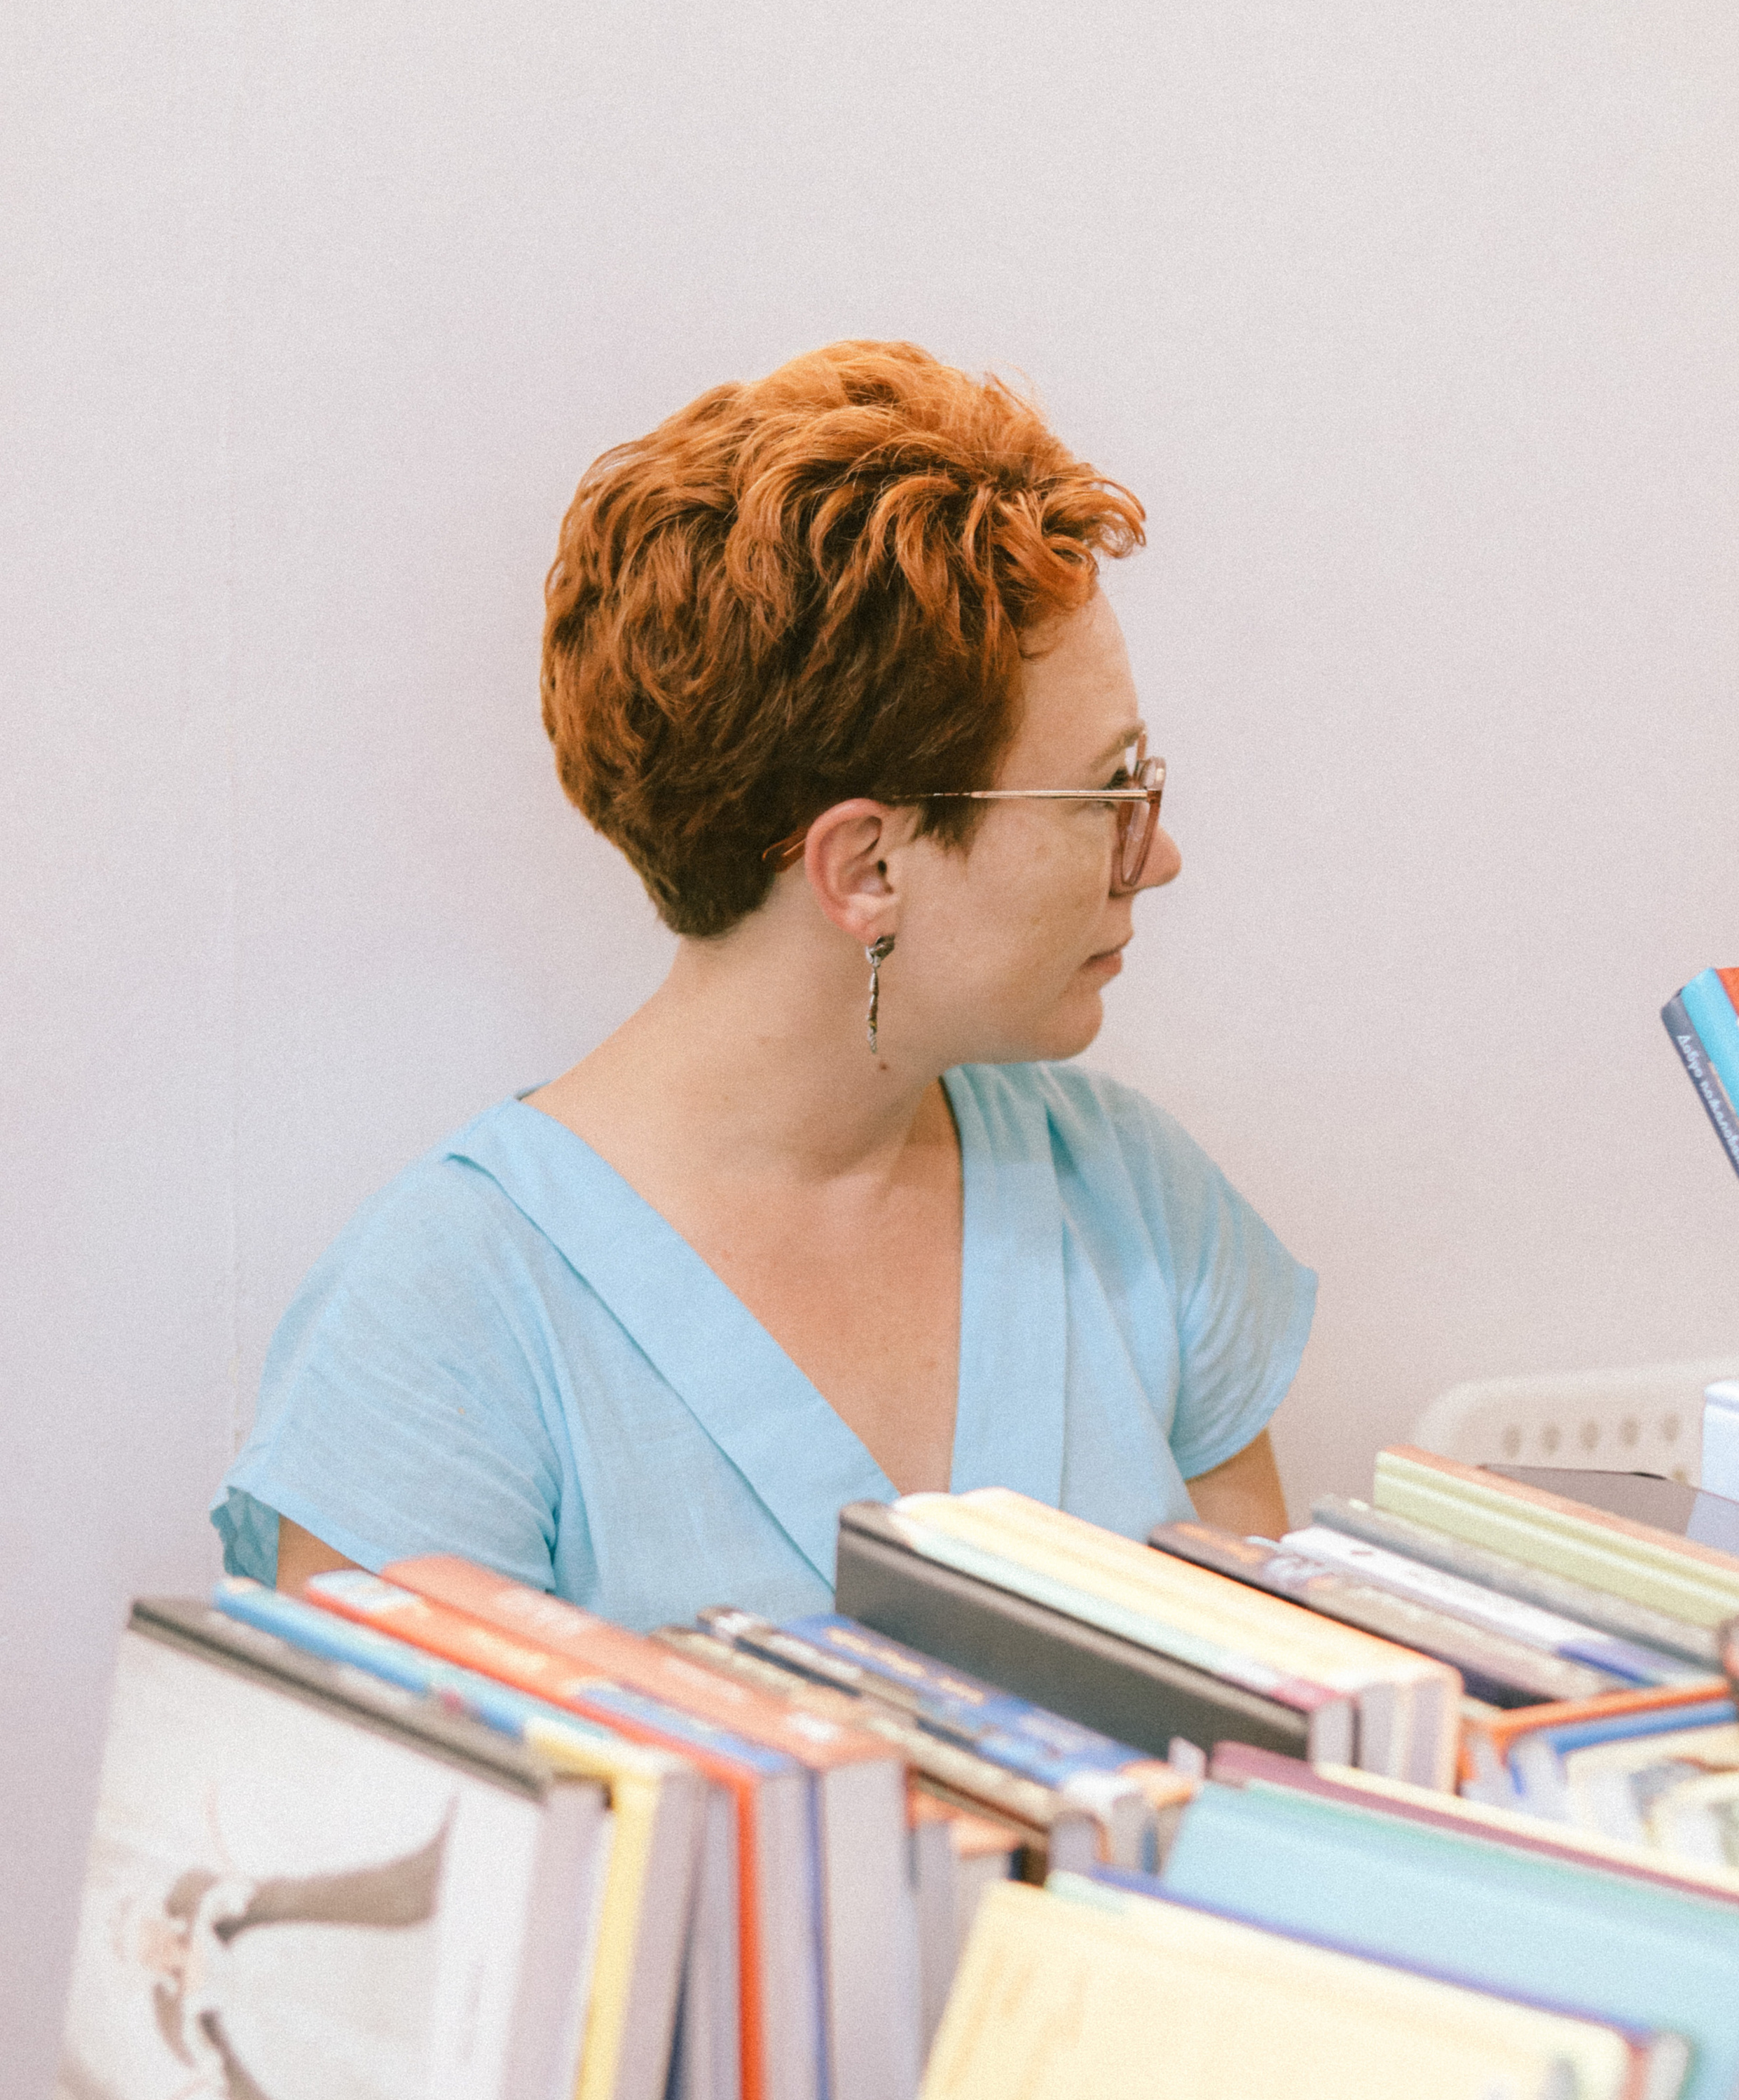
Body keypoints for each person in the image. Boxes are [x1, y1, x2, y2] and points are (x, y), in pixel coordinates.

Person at [214, 342, 1314, 1632]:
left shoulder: (1138, 1207)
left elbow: (1289, 1774)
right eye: (1106, 794)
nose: (1161, 855)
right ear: (868, 867)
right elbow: (393, 1829)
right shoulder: (439, 1330)